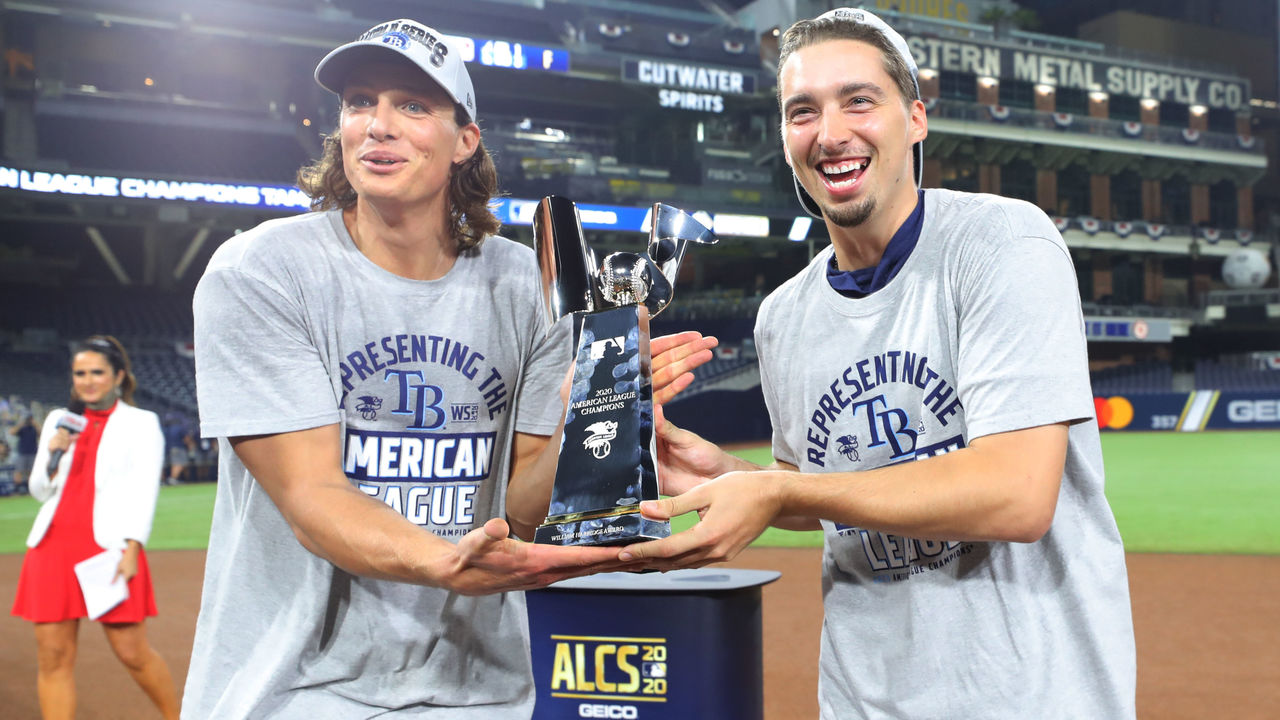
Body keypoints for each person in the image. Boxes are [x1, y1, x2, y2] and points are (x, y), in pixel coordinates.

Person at [183, 18, 713, 718]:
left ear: (466, 140)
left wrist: (598, 414)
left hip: (477, 693)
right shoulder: (262, 273)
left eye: (411, 105)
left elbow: (524, 506)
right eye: (359, 102)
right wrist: (443, 561)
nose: (377, 125)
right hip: (293, 692)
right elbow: (314, 498)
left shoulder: (530, 285)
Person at [621, 8, 1136, 719]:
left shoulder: (1002, 243)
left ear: (916, 119)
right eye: (802, 111)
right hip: (865, 701)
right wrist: (730, 476)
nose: (831, 134)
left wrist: (783, 494)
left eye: (858, 100)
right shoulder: (784, 316)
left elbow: (1017, 493)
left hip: (1030, 699)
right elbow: (824, 494)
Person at [11, 335, 181, 720]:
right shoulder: (59, 420)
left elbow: (144, 491)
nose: (87, 381)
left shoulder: (141, 423)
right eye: (80, 373)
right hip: (52, 546)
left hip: (108, 548)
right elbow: (39, 490)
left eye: (97, 373)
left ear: (118, 375)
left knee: (132, 652)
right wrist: (55, 453)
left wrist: (133, 547)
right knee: (54, 657)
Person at [10, 410, 39, 494]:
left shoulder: (34, 427)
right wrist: (21, 423)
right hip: (22, 452)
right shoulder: (22, 427)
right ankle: (16, 489)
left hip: (32, 452)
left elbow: (41, 433)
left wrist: (35, 423)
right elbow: (12, 432)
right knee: (19, 471)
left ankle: (30, 490)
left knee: (31, 472)